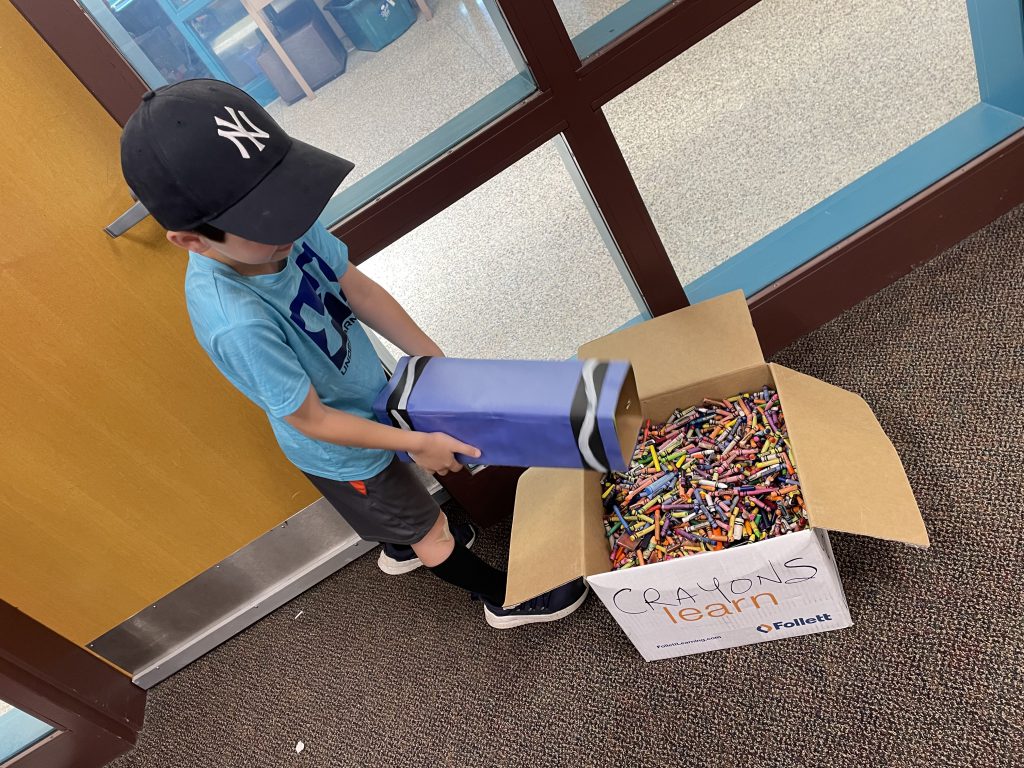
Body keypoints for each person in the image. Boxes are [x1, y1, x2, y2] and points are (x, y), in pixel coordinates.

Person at [119, 78, 588, 628]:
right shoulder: (234, 321)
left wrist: (439, 367)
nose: (290, 225)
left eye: (286, 199)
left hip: (367, 391)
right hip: (338, 448)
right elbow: (313, 418)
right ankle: (500, 597)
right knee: (431, 528)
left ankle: (398, 540)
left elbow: (358, 289)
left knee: (405, 491)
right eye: (264, 220)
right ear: (191, 240)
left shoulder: (286, 231)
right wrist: (418, 442)